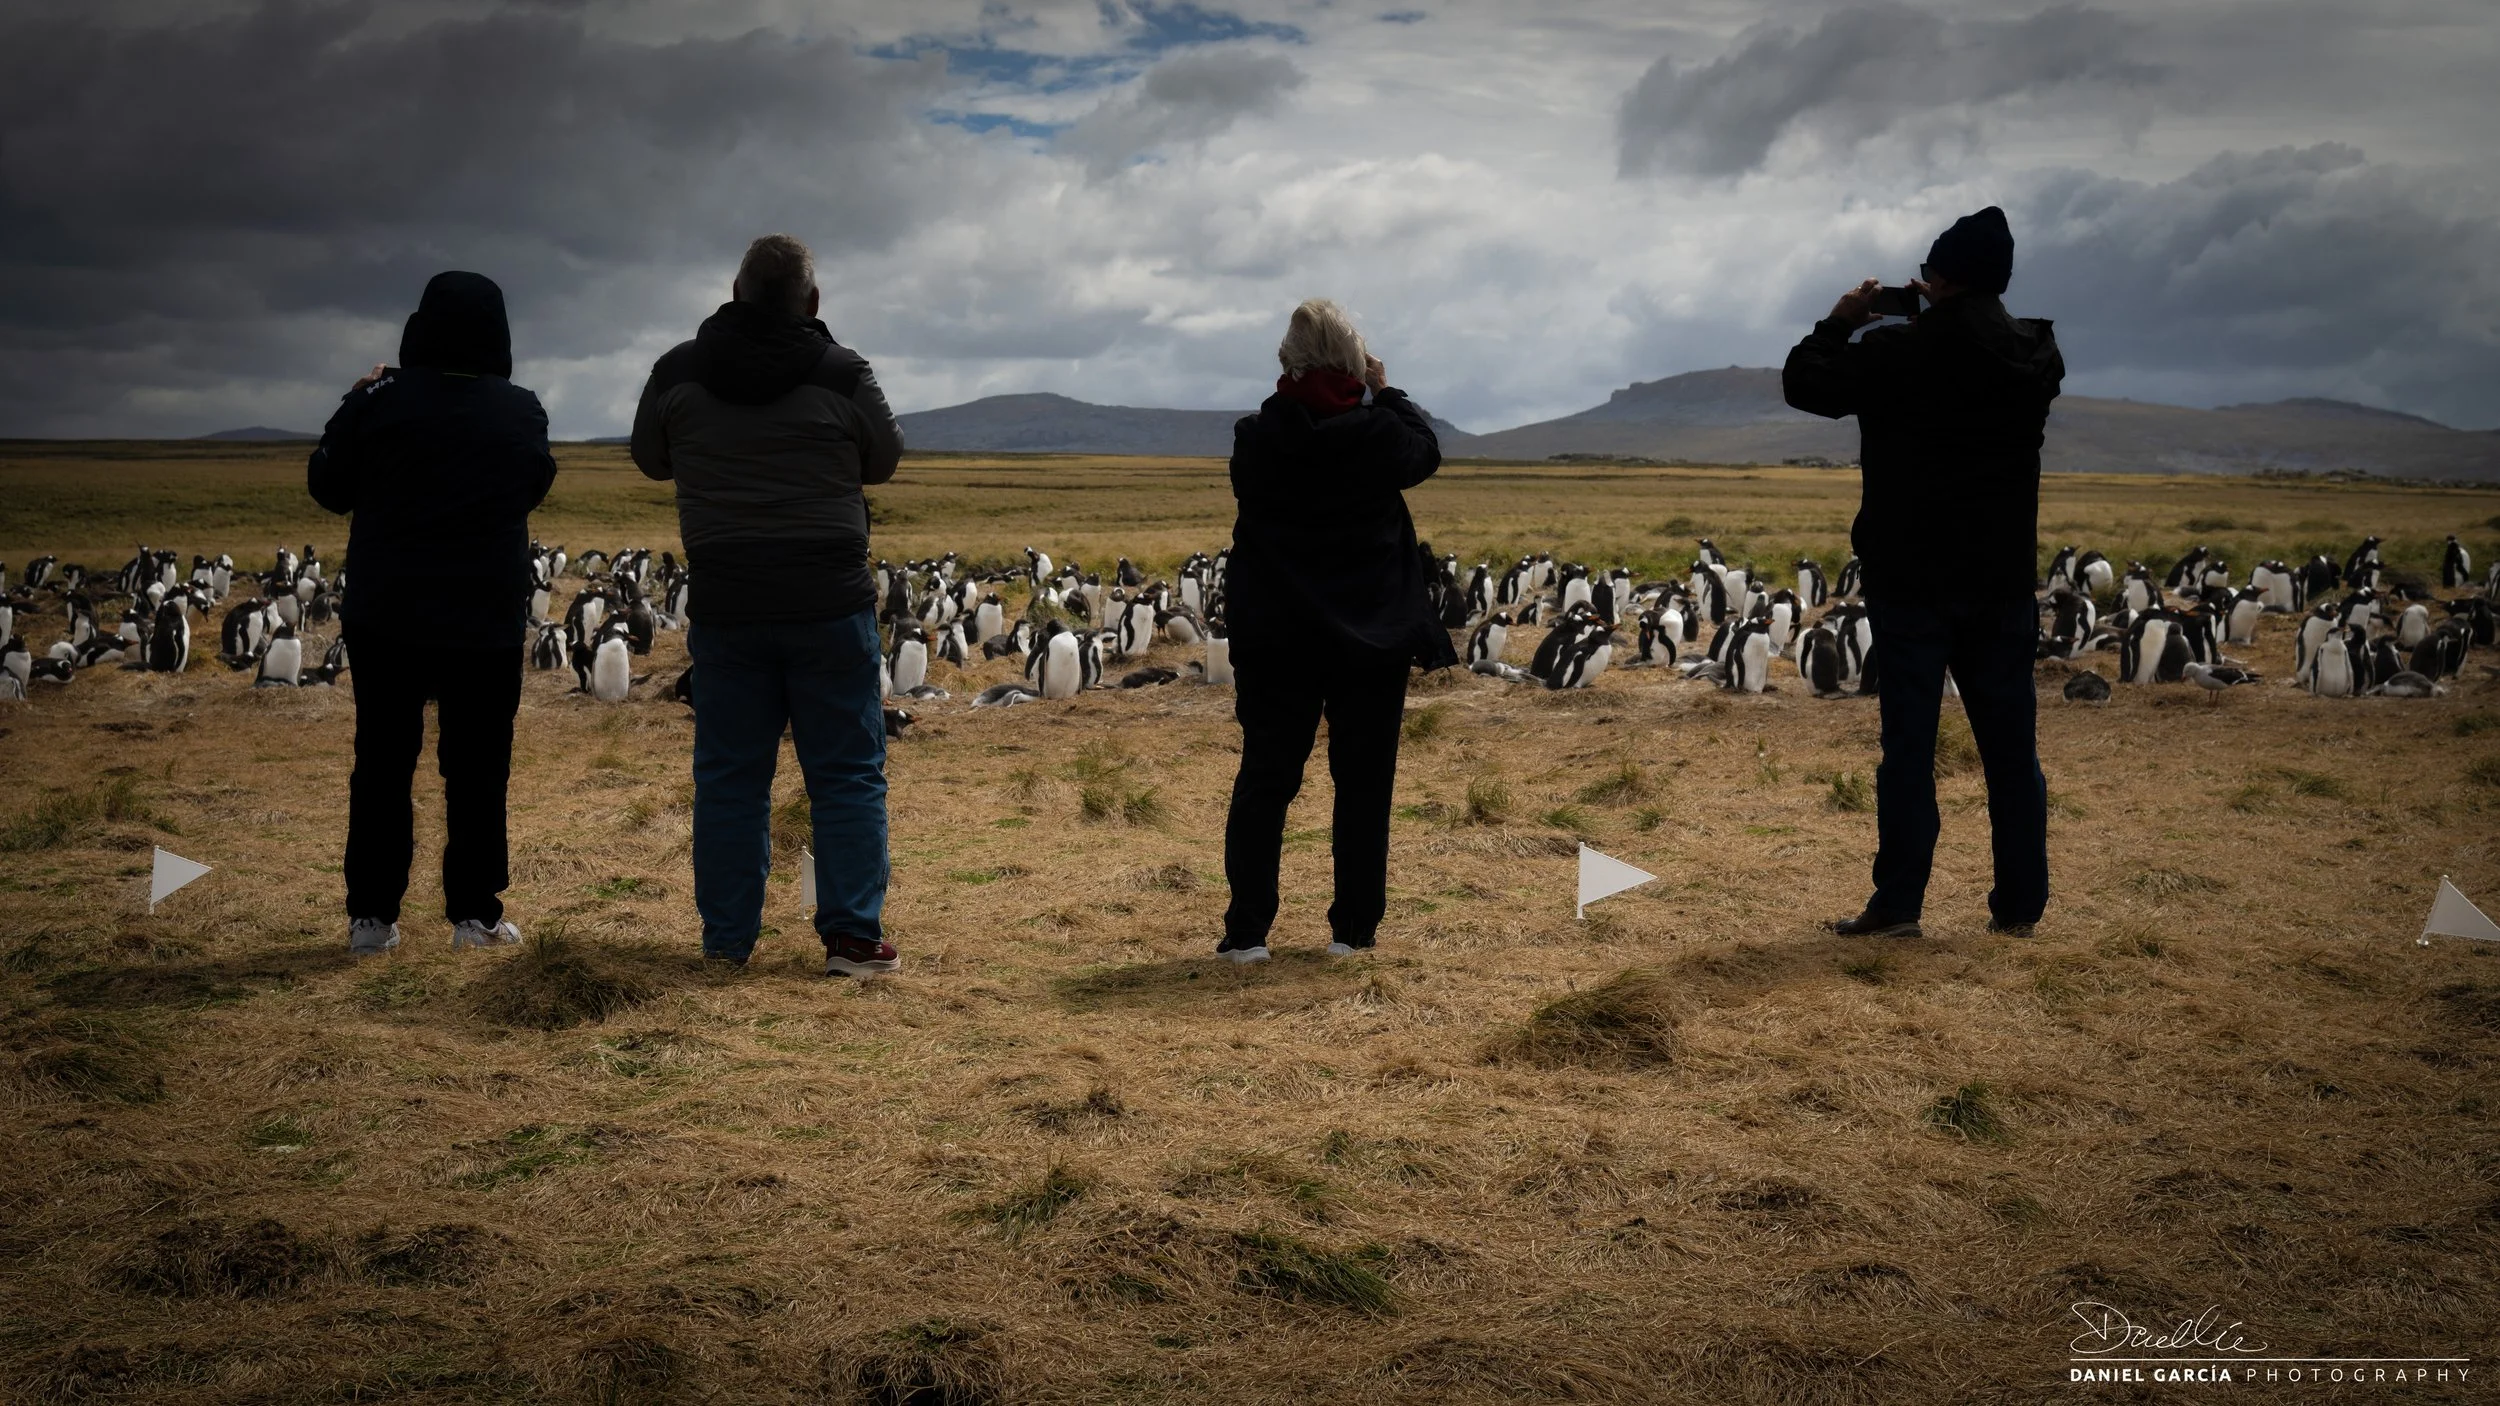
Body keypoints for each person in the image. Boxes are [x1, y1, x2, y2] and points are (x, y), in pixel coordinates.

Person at [1782, 207, 2064, 939]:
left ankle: (1899, 905)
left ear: (1937, 277)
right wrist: (1945, 306)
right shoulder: (2037, 355)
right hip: (2002, 580)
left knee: (1909, 748)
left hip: (1912, 580)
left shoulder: (1896, 351)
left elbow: (1806, 384)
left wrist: (1841, 321)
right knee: (2011, 751)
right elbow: (1983, 344)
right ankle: (2020, 907)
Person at [630, 234, 904, 976]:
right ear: (811, 303)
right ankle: (851, 938)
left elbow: (649, 457)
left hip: (728, 600)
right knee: (846, 771)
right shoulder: (843, 371)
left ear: (734, 290)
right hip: (828, 601)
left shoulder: (678, 369)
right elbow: (885, 458)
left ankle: (727, 942)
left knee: (730, 775)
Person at [309, 271, 557, 956]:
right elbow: (534, 483)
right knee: (479, 767)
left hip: (386, 613)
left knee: (383, 760)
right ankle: (474, 917)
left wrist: (358, 400)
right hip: (484, 615)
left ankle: (371, 918)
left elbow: (327, 485)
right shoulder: (520, 409)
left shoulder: (379, 401)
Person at [1217, 299, 1458, 964]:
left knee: (1267, 778)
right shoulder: (1378, 433)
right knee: (1362, 783)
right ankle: (1352, 932)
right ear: (1354, 360)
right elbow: (1426, 454)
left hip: (1278, 634)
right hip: (1372, 634)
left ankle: (1247, 934)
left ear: (1287, 360)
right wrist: (1387, 390)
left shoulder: (1255, 437)